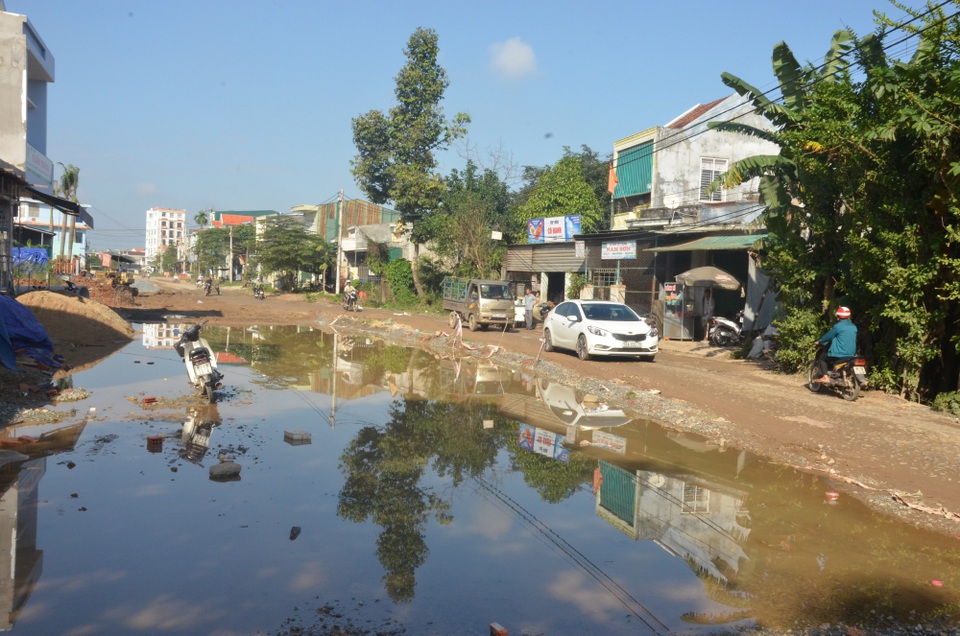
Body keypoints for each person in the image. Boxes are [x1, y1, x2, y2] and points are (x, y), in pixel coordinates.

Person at [815, 306, 858, 383]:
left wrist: (819, 341)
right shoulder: (853, 327)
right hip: (851, 354)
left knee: (822, 358)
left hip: (839, 353)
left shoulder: (838, 326)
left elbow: (829, 336)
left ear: (838, 316)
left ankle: (825, 377)